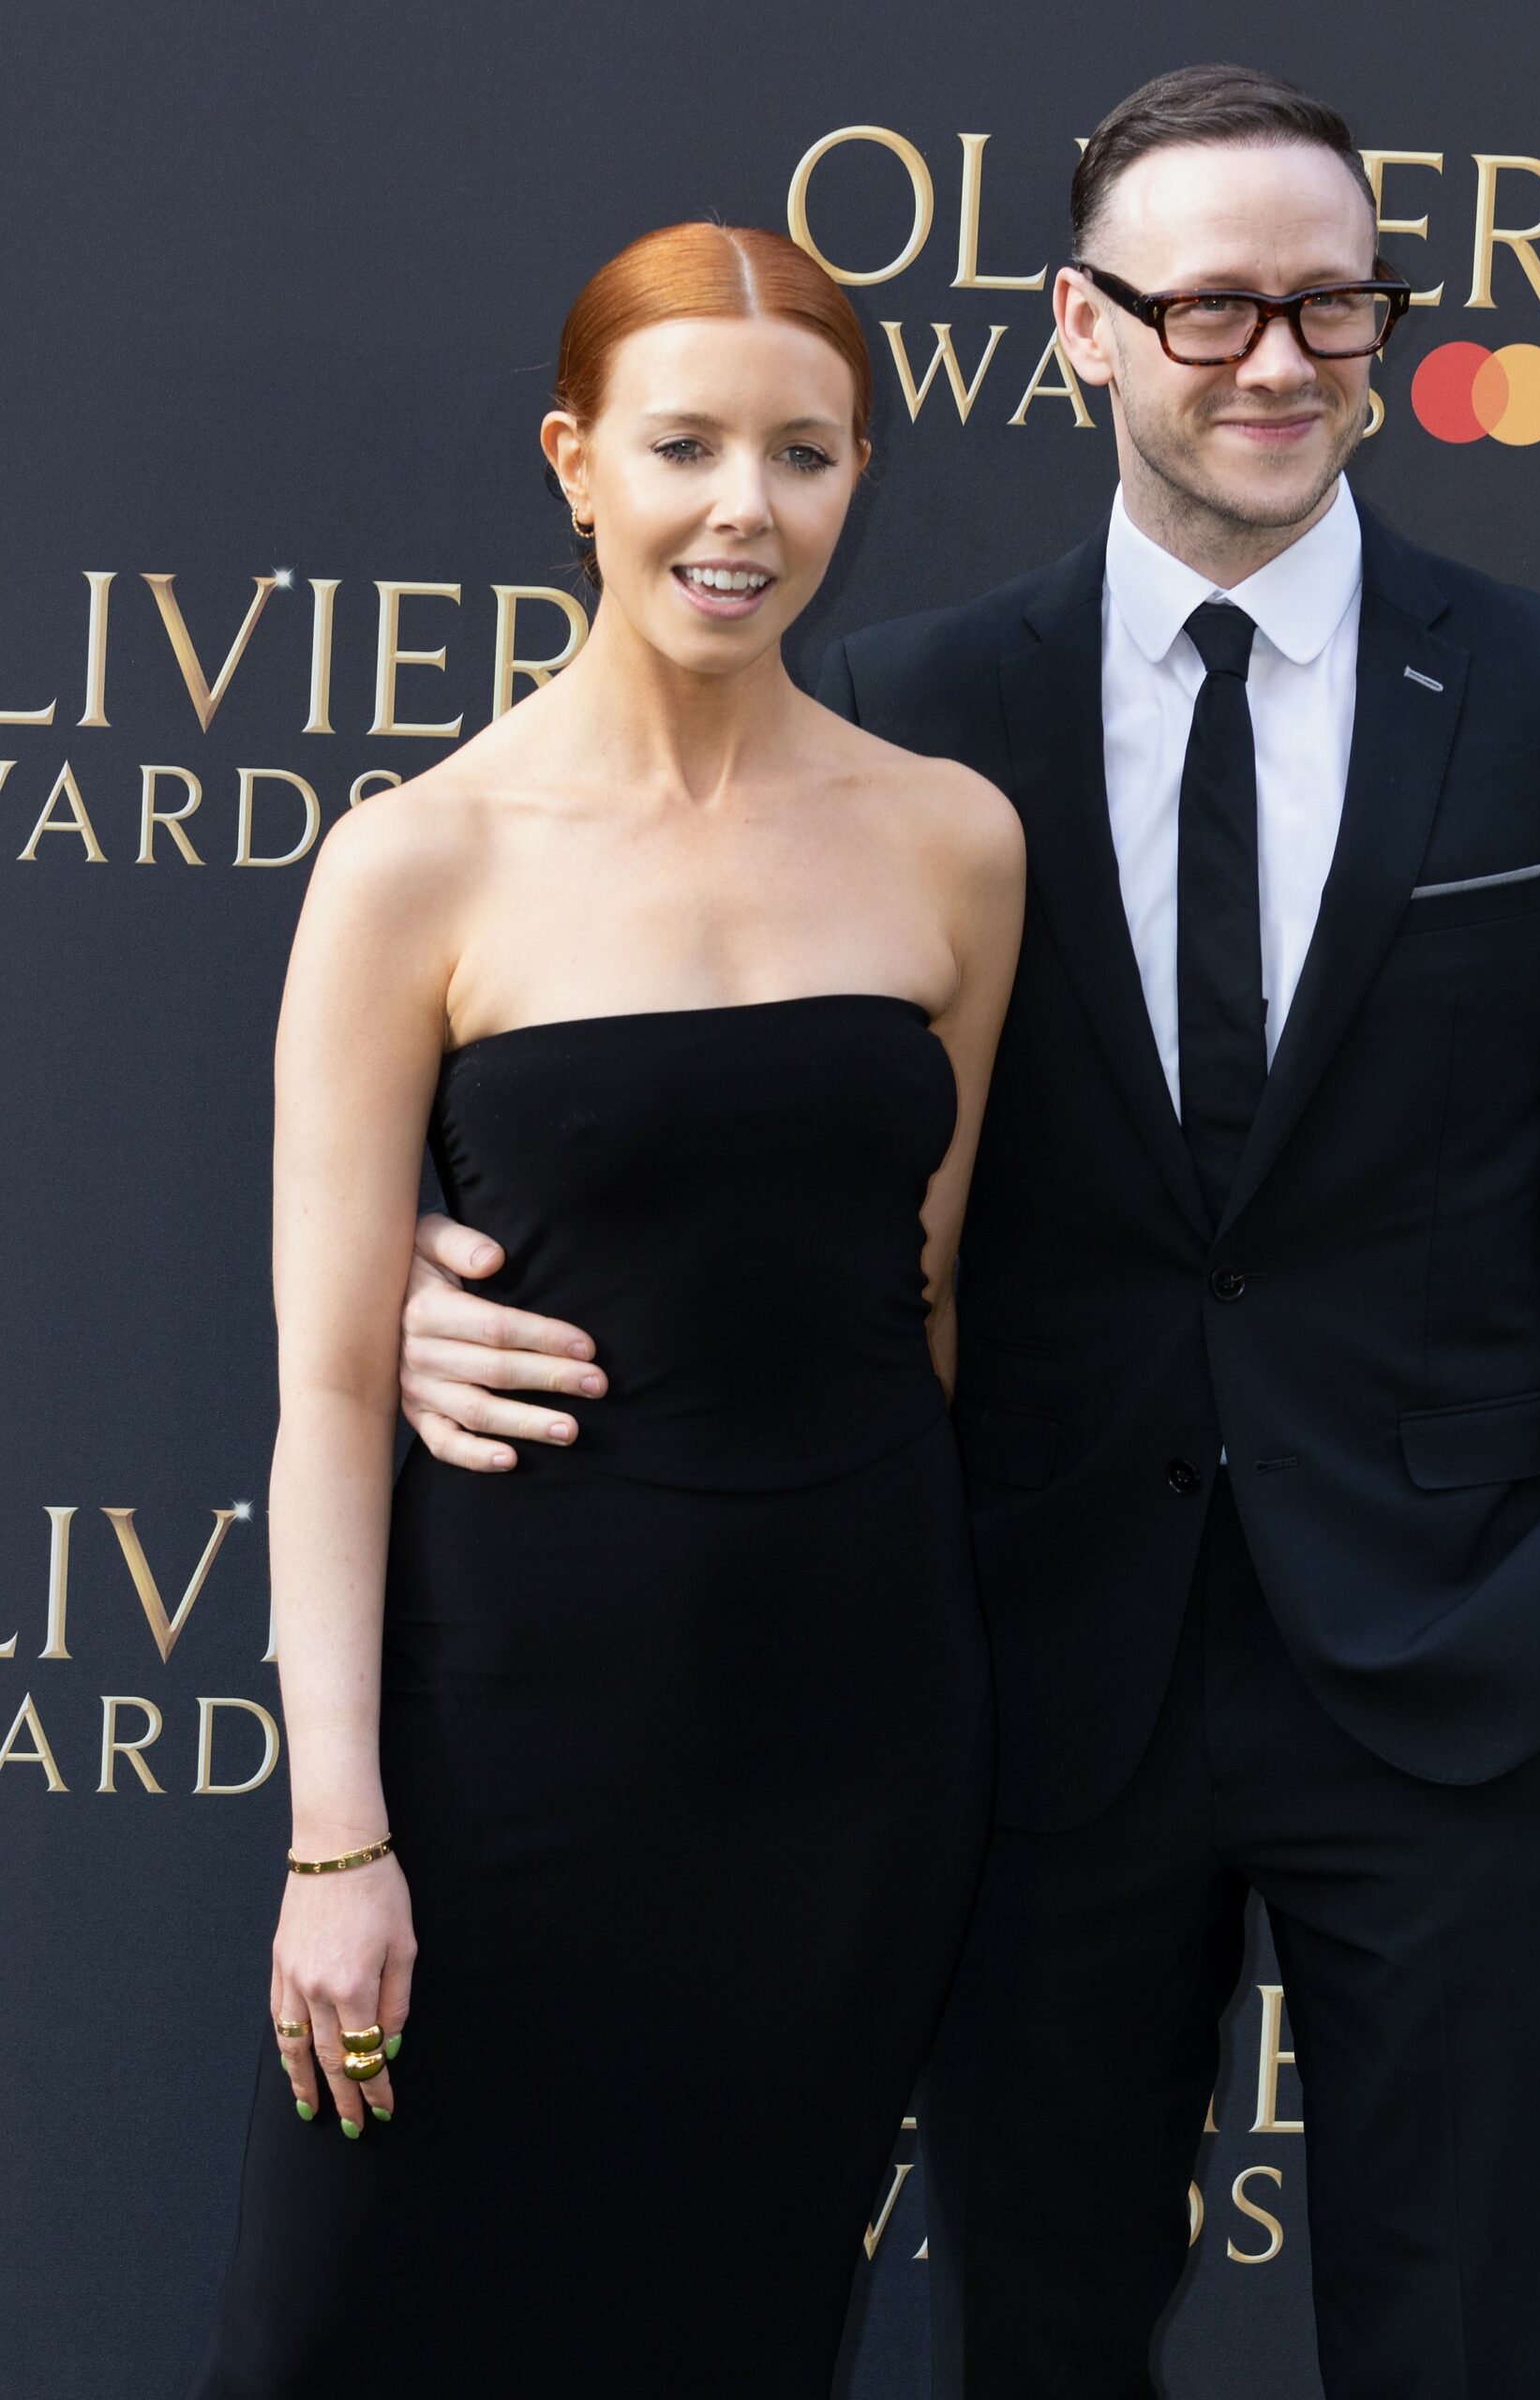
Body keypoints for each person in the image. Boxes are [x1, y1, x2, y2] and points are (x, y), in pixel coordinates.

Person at [396, 65, 1540, 2400]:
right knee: (1034, 2338)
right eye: (1215, 304)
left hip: (1463, 1677)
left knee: (1465, 2342)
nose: (1280, 360)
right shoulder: (900, 708)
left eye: (1335, 304)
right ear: (1076, 325)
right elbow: (683, 1113)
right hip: (1030, 1674)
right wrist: (400, 1288)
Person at [190, 221, 1022, 2399]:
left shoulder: (951, 845)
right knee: (336, 2338)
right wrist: (338, 1836)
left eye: (805, 453)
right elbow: (327, 1380)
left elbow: (921, 1297)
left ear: (860, 476)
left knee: (733, 2339)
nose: (744, 507)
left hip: (851, 1746)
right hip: (504, 1748)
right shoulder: (416, 860)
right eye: (684, 445)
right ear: (575, 463)